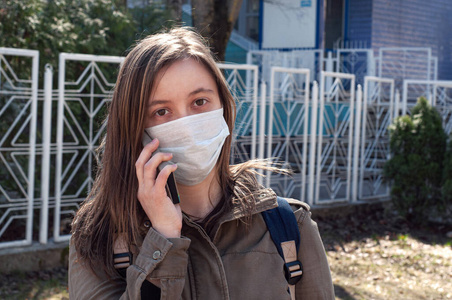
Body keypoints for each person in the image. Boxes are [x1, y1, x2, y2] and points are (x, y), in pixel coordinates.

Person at [68, 27, 335, 299]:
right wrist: (163, 239)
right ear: (134, 127)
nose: (186, 126)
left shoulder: (288, 225)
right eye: (161, 111)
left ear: (223, 107)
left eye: (199, 101)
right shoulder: (99, 236)